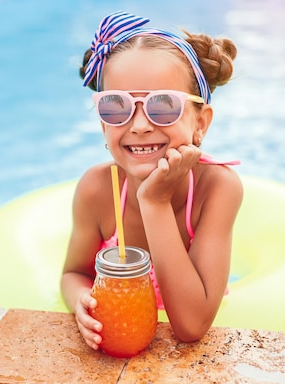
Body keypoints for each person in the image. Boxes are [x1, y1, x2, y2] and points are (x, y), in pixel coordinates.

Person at [60, 11, 243, 350]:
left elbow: (191, 326)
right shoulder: (97, 189)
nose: (140, 124)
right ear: (103, 125)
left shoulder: (216, 189)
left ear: (201, 123)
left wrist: (154, 201)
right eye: (117, 107)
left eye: (163, 106)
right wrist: (81, 301)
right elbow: (74, 274)